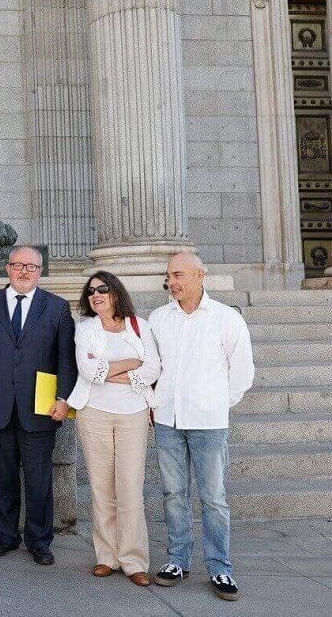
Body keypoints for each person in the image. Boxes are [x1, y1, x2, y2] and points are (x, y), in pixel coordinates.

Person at [149, 252, 254, 601]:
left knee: (214, 499)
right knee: (173, 494)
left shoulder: (226, 318)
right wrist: (156, 402)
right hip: (167, 420)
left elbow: (242, 373)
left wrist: (216, 404)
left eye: (178, 275)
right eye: (169, 276)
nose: (172, 282)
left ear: (200, 275)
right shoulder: (159, 318)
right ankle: (177, 560)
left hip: (209, 423)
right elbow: (152, 367)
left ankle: (220, 566)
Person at [0, 245, 76, 565]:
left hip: (40, 408)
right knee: (2, 476)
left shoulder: (57, 307)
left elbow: (66, 359)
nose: (24, 271)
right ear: (7, 268)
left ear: (40, 272)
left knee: (39, 479)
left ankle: (39, 540)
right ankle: (6, 536)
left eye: (31, 266)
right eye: (18, 265)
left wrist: (63, 398)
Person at [67, 271, 160, 586]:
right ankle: (106, 556)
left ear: (116, 292)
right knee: (101, 486)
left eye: (103, 289)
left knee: (130, 485)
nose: (96, 295)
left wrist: (110, 372)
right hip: (94, 413)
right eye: (91, 291)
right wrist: (131, 364)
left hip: (134, 413)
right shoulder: (85, 328)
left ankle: (134, 560)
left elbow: (153, 368)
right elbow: (88, 370)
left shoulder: (140, 326)